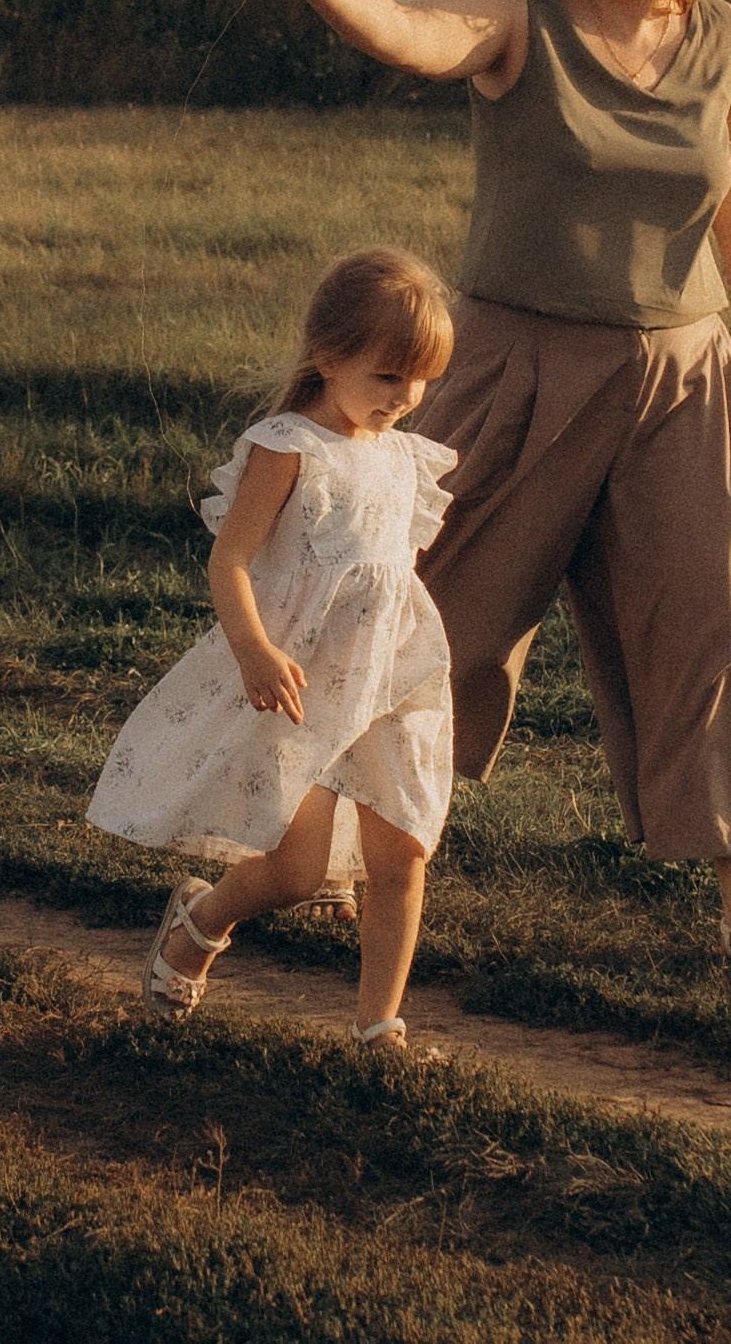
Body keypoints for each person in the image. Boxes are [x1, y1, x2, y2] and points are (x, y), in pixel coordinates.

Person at [233, 0, 731, 984]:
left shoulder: (721, 35)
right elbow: (414, 33)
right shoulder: (520, 9)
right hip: (517, 365)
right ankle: (320, 846)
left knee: (716, 623)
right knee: (420, 616)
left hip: (683, 374)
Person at [86, 246, 458, 1042]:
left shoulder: (403, 460)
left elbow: (385, 582)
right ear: (328, 358)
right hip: (299, 682)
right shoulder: (289, 447)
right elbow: (232, 558)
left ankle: (377, 1031)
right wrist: (253, 649)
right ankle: (198, 921)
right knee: (295, 873)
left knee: (403, 852)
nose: (404, 397)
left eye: (418, 379)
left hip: (392, 683)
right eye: (386, 377)